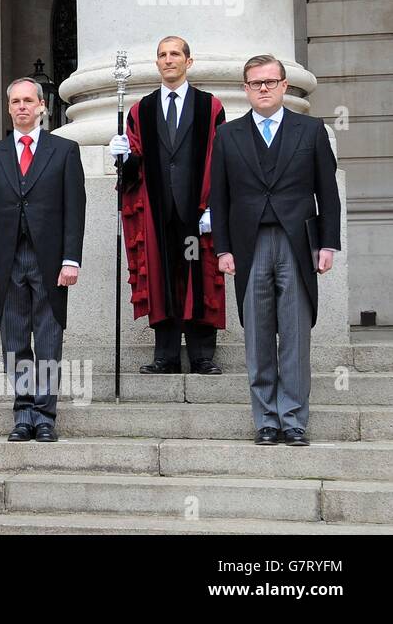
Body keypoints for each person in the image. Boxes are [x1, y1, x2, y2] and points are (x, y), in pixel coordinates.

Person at [210, 54, 340, 447]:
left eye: (270, 81)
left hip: (297, 242)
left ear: (284, 85)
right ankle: (266, 419)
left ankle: (294, 419)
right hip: (249, 245)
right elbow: (219, 196)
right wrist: (223, 248)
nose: (263, 89)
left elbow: (327, 193)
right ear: (246, 89)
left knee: (296, 332)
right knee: (259, 333)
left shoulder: (311, 130)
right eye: (255, 83)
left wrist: (329, 243)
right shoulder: (228, 136)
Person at [0, 78, 86, 443]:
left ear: (42, 106)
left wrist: (71, 259)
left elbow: (75, 210)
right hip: (8, 262)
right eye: (15, 102)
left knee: (49, 339)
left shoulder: (65, 150)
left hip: (51, 262)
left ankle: (45, 416)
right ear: (9, 108)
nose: (22, 107)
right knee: (14, 340)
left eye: (29, 101)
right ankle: (23, 414)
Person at [111, 36, 227, 376]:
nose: (168, 60)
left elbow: (219, 159)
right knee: (161, 277)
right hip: (157, 210)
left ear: (188, 61)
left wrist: (214, 206)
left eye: (175, 54)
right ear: (157, 63)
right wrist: (124, 156)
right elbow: (133, 169)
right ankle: (166, 356)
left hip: (196, 209)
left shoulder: (211, 106)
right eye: (162, 55)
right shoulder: (140, 110)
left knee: (199, 276)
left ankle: (202, 355)